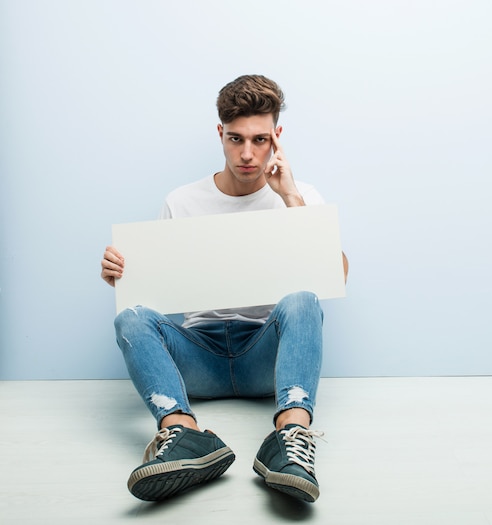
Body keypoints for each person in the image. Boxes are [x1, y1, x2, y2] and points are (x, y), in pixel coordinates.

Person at [100, 74, 349, 503]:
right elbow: (156, 292)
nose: (248, 154)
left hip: (263, 358)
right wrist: (122, 272)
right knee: (131, 318)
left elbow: (336, 274)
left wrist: (290, 198)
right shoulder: (181, 201)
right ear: (220, 134)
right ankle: (184, 433)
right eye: (235, 139)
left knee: (302, 301)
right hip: (200, 358)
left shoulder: (300, 195)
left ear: (277, 137)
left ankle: (290, 437)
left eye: (259, 139)